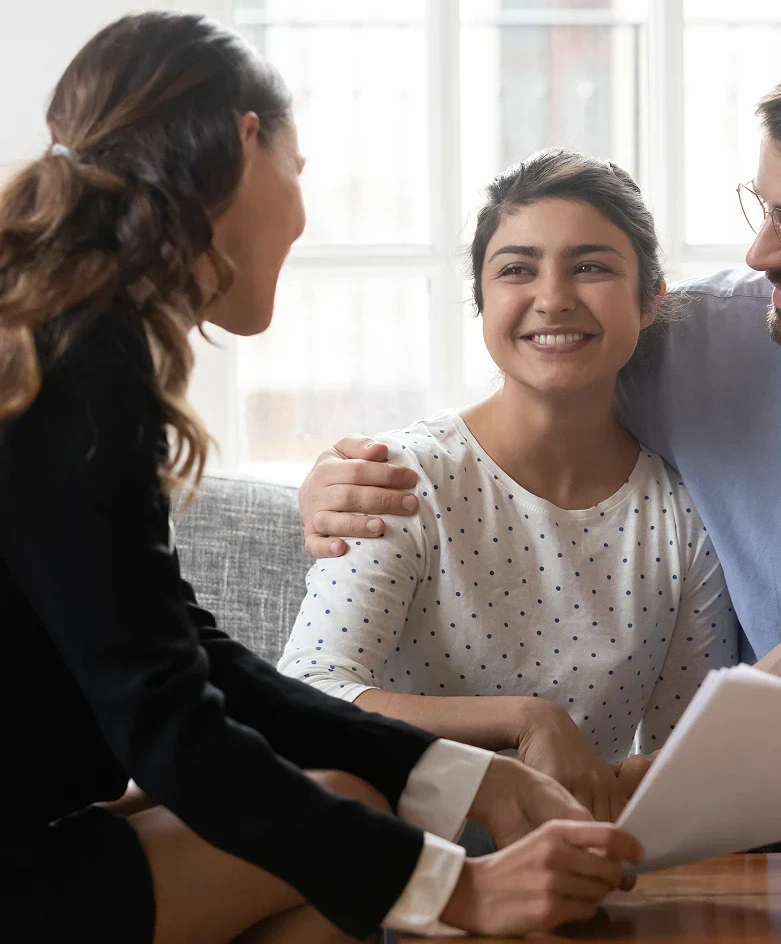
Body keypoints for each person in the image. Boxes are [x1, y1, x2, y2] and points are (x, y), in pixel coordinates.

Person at [299, 43, 781, 851]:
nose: (761, 251)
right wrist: (335, 475)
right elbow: (542, 372)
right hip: (751, 793)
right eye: (762, 208)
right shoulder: (693, 340)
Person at [0, 11, 642, 944]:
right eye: (300, 174)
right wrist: (465, 892)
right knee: (354, 828)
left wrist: (467, 775)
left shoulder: (61, 330)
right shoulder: (77, 364)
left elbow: (198, 659)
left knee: (349, 801)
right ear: (246, 142)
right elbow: (167, 720)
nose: (303, 213)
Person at [277, 149, 739, 827]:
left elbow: (679, 754)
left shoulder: (682, 517)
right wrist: (523, 721)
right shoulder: (404, 478)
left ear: (649, 302)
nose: (551, 297)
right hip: (383, 849)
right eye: (517, 269)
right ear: (483, 301)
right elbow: (306, 694)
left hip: (577, 861)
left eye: (591, 266)